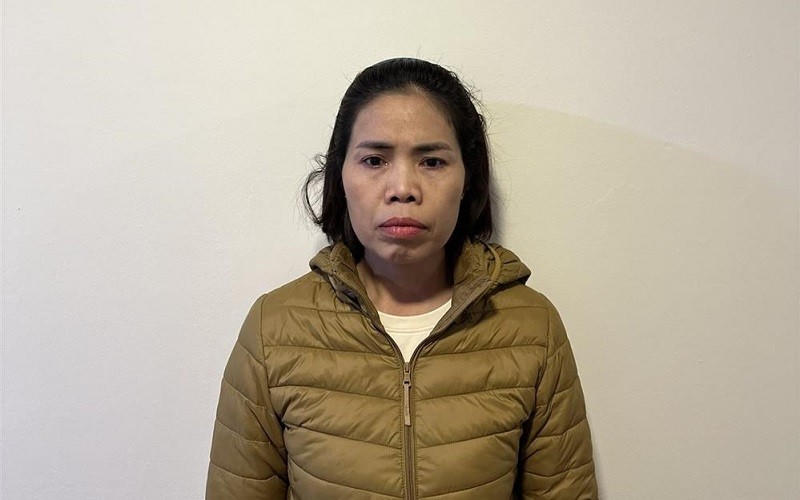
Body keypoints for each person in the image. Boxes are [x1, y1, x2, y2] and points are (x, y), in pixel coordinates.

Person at [205, 57, 598, 499]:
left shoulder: (532, 329)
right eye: (374, 160)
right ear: (341, 176)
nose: (403, 188)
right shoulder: (273, 330)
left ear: (467, 179)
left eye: (432, 161)